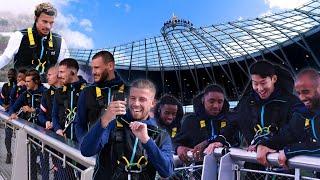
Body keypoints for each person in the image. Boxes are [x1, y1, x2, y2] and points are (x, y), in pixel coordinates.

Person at [204, 61, 307, 176]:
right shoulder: (246, 102)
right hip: (254, 166)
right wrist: (220, 140)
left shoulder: (291, 102)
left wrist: (268, 143)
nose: (259, 88)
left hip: (282, 168)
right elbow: (233, 122)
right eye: (255, 83)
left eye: (263, 83)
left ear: (274, 79)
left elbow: (295, 129)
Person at [81, 79, 174, 180]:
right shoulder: (112, 124)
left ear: (153, 103)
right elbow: (86, 150)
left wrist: (147, 141)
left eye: (142, 99)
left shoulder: (160, 134)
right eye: (133, 98)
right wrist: (105, 119)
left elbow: (166, 171)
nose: (136, 104)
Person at [0, 2, 69, 74]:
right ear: (36, 18)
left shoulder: (60, 41)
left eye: (51, 23)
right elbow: (5, 58)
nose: (48, 26)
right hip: (22, 84)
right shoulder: (19, 36)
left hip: (47, 85)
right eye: (45, 22)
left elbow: (67, 67)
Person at [74, 50, 126, 143]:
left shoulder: (130, 91)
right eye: (92, 68)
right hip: (95, 153)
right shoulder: (87, 92)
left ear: (110, 66)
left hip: (123, 154)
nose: (93, 72)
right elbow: (79, 124)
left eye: (97, 68)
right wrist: (84, 144)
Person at [174, 84, 235, 163]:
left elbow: (234, 142)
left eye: (220, 102)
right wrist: (178, 148)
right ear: (203, 100)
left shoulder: (230, 119)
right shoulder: (191, 120)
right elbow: (176, 141)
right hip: (199, 170)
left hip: (227, 169)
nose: (216, 106)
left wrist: (207, 142)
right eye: (211, 101)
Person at [277, 68, 320, 176]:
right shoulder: (304, 112)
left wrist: (291, 151)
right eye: (298, 93)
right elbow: (288, 133)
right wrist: (265, 144)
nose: (301, 98)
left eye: (306, 92)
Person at [8, 69, 47, 179]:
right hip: (29, 132)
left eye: (28, 81)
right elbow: (13, 107)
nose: (25, 83)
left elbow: (50, 113)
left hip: (43, 133)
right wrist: (13, 114)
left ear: (36, 81)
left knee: (44, 162)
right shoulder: (25, 93)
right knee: (31, 161)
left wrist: (33, 110)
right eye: (25, 81)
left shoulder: (45, 93)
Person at [52, 58, 86, 141]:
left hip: (81, 143)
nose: (59, 76)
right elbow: (54, 115)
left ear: (73, 72)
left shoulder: (88, 91)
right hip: (62, 140)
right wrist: (57, 129)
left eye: (62, 72)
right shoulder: (59, 92)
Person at [0, 68, 17, 164]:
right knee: (8, 136)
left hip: (18, 116)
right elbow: (1, 99)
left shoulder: (20, 86)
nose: (10, 76)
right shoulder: (6, 86)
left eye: (12, 74)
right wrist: (3, 105)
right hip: (8, 115)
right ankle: (8, 153)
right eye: (8, 74)